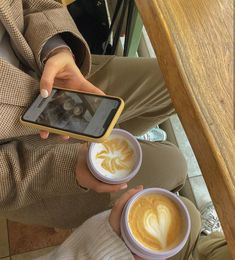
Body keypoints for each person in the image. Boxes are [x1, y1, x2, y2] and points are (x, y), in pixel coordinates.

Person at [0, 0, 187, 228]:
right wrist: (67, 169)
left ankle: (120, 138)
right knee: (173, 166)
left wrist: (55, 48)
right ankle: (123, 142)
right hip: (23, 162)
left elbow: (34, 3)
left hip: (49, 72)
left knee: (179, 83)